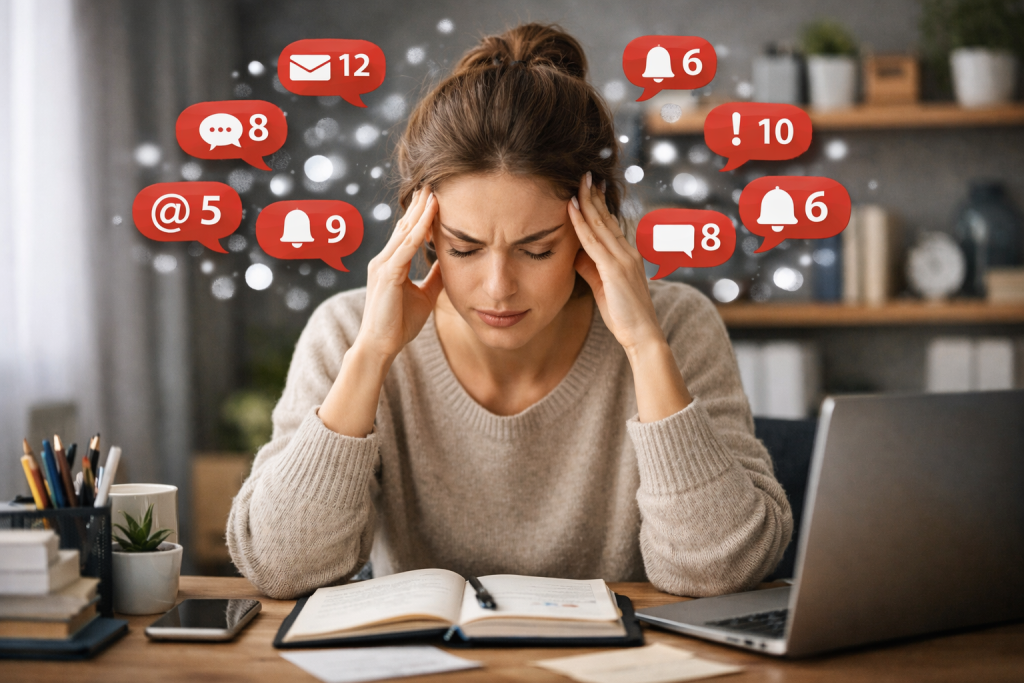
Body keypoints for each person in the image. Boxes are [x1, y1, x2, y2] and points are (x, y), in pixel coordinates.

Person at [227, 23, 792, 600]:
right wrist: (371, 355)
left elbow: (721, 570)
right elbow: (281, 566)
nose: (498, 288)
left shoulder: (675, 325)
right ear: (423, 232)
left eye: (537, 250)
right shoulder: (348, 331)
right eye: (464, 249)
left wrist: (645, 347)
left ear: (593, 228)